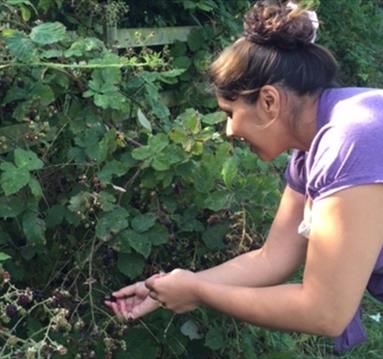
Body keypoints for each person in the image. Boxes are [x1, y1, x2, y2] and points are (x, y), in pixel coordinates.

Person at [105, 0, 383, 353]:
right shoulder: (312, 147)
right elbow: (272, 258)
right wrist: (168, 288)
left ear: (268, 101)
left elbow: (325, 311)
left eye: (230, 112)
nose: (228, 130)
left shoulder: (353, 138)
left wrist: (199, 292)